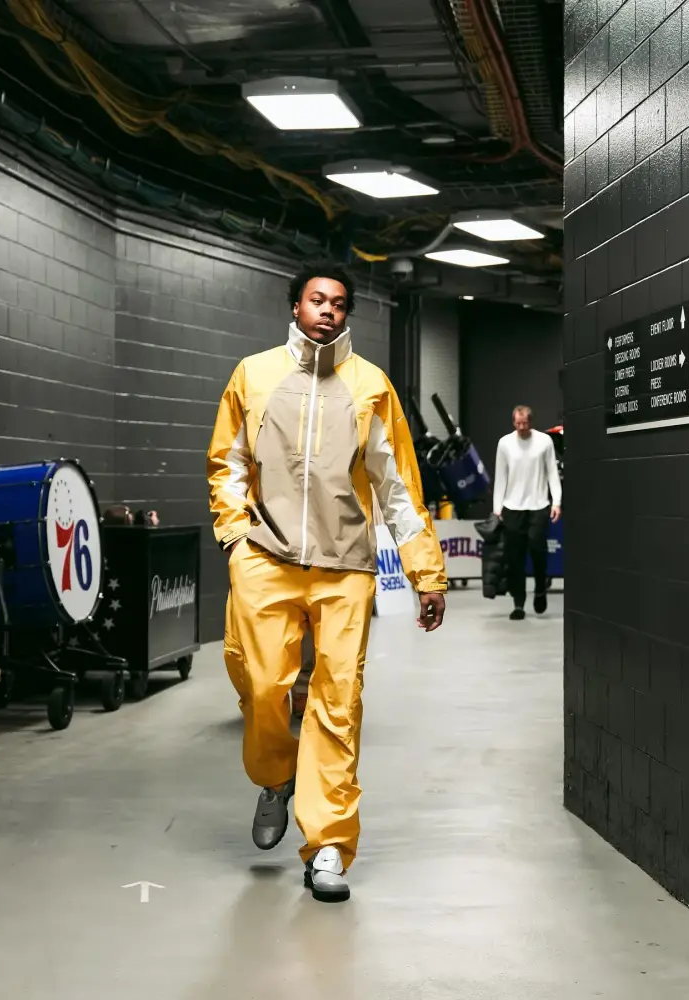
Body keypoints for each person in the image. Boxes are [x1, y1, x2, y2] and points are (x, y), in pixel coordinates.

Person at [207, 261, 447, 903]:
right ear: (295, 307)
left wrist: (427, 572)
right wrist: (235, 537)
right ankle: (273, 777)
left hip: (345, 568)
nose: (328, 312)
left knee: (338, 703)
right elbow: (226, 462)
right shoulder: (253, 375)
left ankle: (329, 847)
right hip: (265, 557)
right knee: (262, 688)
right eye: (317, 300)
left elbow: (397, 487)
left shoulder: (370, 386)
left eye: (339, 304)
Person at [492, 405, 561, 621]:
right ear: (513, 422)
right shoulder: (505, 443)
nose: (521, 427)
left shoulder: (544, 442)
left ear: (531, 422)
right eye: (518, 423)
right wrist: (497, 506)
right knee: (515, 557)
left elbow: (552, 472)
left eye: (525, 423)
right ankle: (518, 603)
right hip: (512, 507)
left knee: (537, 550)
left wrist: (556, 502)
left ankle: (540, 589)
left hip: (539, 504)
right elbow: (500, 475)